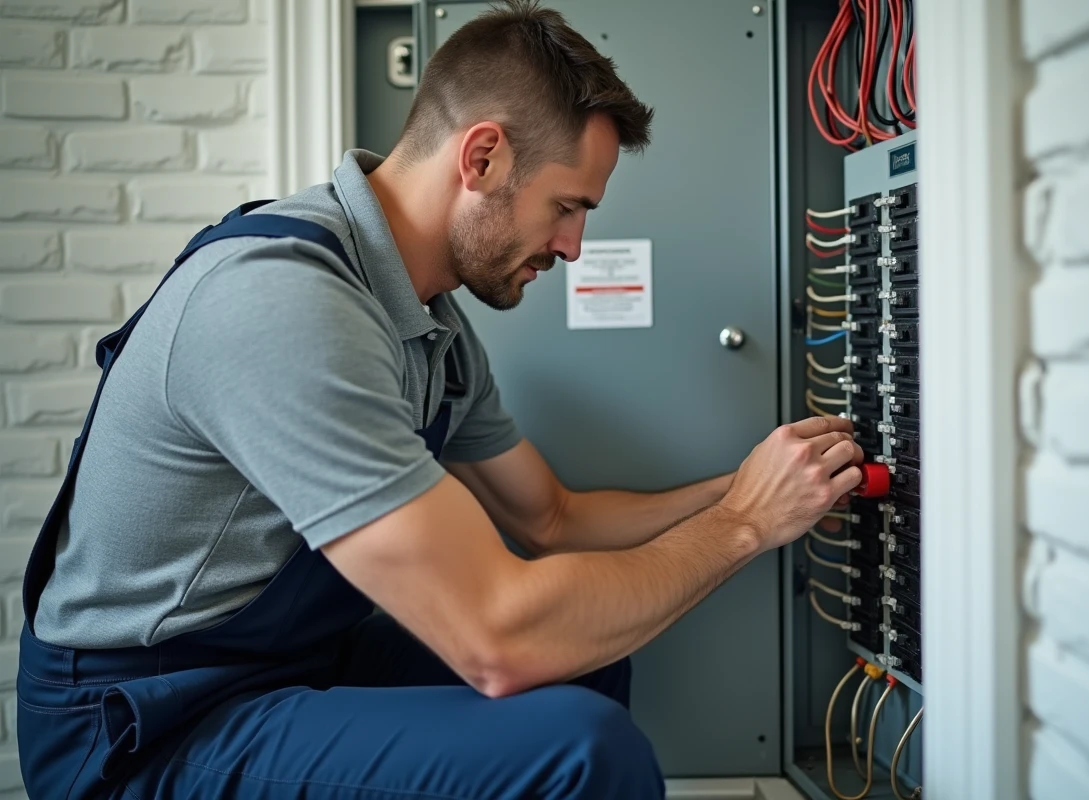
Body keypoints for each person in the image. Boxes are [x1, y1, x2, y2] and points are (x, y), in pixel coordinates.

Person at [16, 2, 864, 798]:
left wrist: (748, 487)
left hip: (282, 667)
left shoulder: (432, 328)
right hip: (144, 725)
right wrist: (743, 525)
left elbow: (554, 518)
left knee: (583, 658)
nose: (574, 246)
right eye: (566, 207)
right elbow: (499, 640)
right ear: (481, 156)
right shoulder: (284, 304)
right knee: (582, 745)